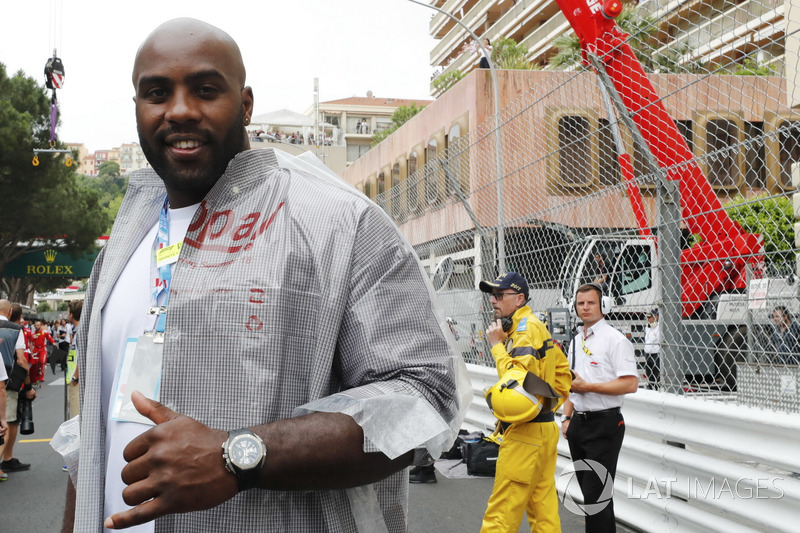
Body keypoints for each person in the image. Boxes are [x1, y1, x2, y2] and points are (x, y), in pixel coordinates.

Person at [58, 18, 467, 533]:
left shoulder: (338, 221)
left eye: (206, 90)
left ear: (245, 104)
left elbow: (423, 396)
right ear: (138, 107)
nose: (180, 110)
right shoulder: (124, 240)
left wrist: (240, 456)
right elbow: (92, 426)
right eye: (157, 93)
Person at [478, 272, 572, 533]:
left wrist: (497, 346)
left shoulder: (523, 329)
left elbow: (515, 381)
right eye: (492, 295)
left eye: (499, 295)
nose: (493, 301)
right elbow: (565, 374)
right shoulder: (532, 325)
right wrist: (548, 403)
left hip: (526, 434)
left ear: (519, 298)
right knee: (542, 509)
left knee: (502, 510)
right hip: (544, 430)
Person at [561, 283, 638, 533]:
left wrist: (590, 387)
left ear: (602, 305)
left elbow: (630, 383)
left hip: (605, 425)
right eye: (581, 303)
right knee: (593, 496)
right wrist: (566, 417)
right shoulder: (574, 342)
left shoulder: (615, 340)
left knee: (596, 497)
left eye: (591, 303)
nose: (585, 308)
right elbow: (572, 382)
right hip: (578, 425)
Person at [0, 301, 35, 477]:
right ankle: (6, 459)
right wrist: (28, 385)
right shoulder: (15, 329)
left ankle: (7, 459)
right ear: (10, 311)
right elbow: (21, 360)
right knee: (8, 422)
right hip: (6, 380)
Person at [643, 308, 660, 389]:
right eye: (648, 318)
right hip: (647, 353)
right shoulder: (647, 327)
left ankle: (657, 386)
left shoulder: (659, 328)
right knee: (649, 372)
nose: (648, 319)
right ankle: (650, 385)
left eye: (650, 317)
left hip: (656, 354)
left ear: (656, 317)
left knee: (656, 372)